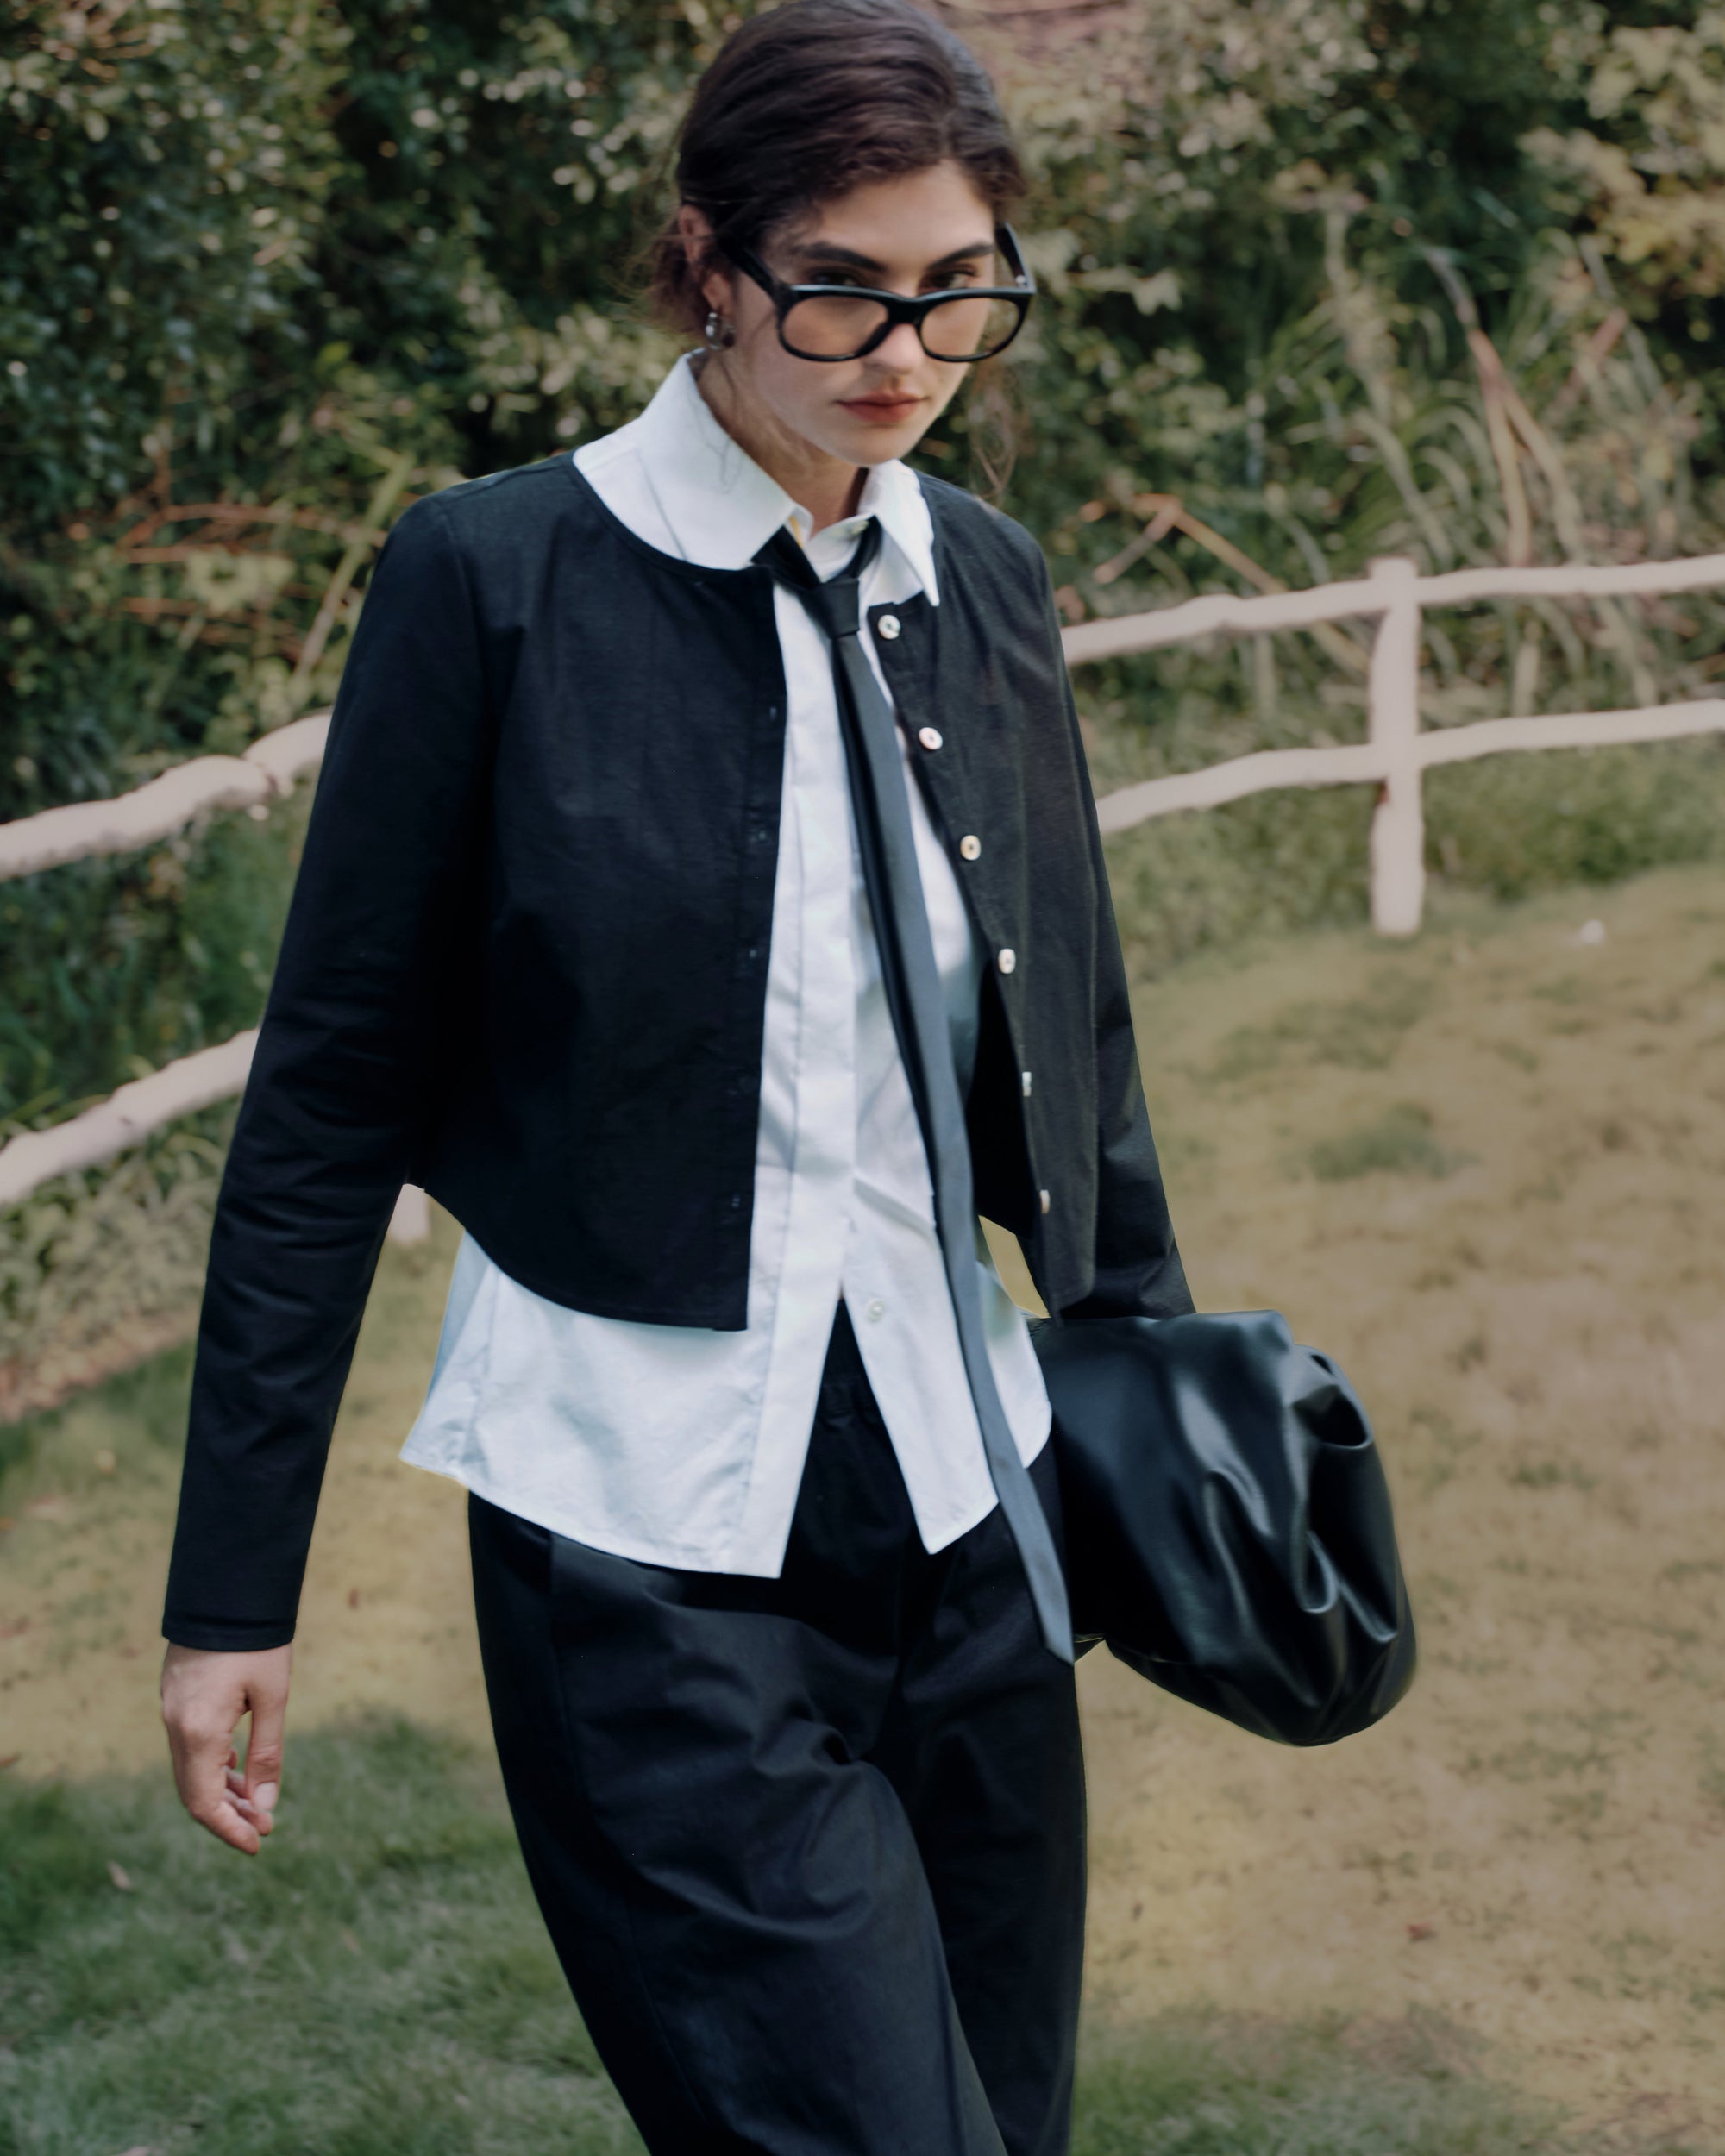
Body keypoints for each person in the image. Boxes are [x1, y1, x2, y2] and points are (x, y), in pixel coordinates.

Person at [158, 3, 1190, 2149]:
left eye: (954, 288)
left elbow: (1071, 1038)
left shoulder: (978, 578)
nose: (899, 351)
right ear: (706, 259)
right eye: (835, 284)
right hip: (644, 1547)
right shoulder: (495, 578)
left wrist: (1159, 1410)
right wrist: (231, 1594)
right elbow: (331, 1094)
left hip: (967, 1507)